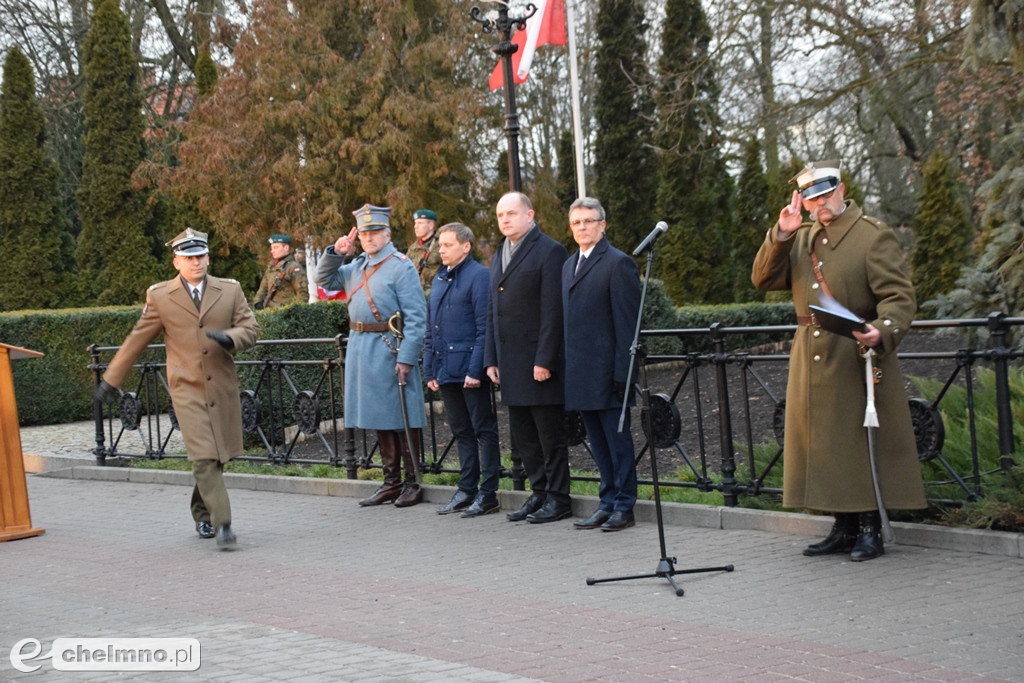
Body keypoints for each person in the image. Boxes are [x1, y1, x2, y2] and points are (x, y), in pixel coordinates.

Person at [751, 159, 926, 561]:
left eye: (827, 195)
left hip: (856, 352)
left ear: (842, 190)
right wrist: (781, 234)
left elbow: (899, 298)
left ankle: (869, 528)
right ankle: (842, 526)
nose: (821, 204)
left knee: (857, 440)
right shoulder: (800, 238)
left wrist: (882, 330)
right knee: (823, 444)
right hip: (810, 355)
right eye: (812, 199)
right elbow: (762, 278)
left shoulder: (871, 236)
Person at [94, 228, 259, 549]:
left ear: (208, 258)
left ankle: (201, 511)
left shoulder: (229, 290)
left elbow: (251, 328)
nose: (196, 262)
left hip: (222, 386)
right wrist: (111, 380)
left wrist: (231, 338)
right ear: (176, 262)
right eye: (189, 258)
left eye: (200, 256)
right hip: (186, 388)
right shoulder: (160, 296)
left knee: (217, 456)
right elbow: (136, 340)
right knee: (203, 455)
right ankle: (222, 523)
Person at [316, 204, 427, 508]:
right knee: (380, 416)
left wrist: (406, 357)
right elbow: (323, 280)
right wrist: (337, 252)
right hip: (361, 346)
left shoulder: (401, 266)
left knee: (402, 417)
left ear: (387, 233)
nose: (369, 237)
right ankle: (390, 482)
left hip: (389, 346)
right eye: (364, 233)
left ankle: (412, 482)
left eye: (374, 232)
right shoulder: (355, 266)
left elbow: (417, 317)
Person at [484, 192, 571, 524]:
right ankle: (539, 493)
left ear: (530, 214)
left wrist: (545, 359)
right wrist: (491, 358)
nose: (504, 219)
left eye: (511, 213)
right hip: (510, 362)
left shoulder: (550, 251)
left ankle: (559, 498)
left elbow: (553, 311)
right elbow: (494, 311)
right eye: (500, 215)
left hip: (538, 363)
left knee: (549, 435)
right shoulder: (499, 254)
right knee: (524, 437)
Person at [561, 197, 642, 532]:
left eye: (589, 221)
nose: (582, 227)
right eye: (577, 222)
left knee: (618, 442)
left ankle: (624, 505)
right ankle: (606, 501)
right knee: (598, 444)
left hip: (609, 375)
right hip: (581, 374)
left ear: (602, 224)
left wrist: (624, 374)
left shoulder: (618, 263)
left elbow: (628, 325)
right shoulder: (569, 265)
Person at [424, 223, 502, 518]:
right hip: (446, 369)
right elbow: (432, 328)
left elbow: (484, 328)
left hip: (470, 370)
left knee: (483, 429)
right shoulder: (440, 278)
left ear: (465, 246)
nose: (440, 249)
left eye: (446, 245)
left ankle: (488, 492)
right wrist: (429, 368)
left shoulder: (480, 276)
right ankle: (466, 489)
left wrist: (476, 370)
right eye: (440, 245)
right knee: (461, 431)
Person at [253, 234, 308, 309]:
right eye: (271, 248)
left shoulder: (293, 267)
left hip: (287, 311)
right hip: (270, 312)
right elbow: (262, 289)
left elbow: (302, 293)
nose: (272, 251)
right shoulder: (271, 268)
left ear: (286, 248)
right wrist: (257, 302)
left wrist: (296, 312)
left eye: (276, 247)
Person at [406, 208, 442, 295]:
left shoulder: (442, 244)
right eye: (415, 223)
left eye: (420, 223)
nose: (415, 226)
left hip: (436, 293)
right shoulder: (413, 248)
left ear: (431, 225)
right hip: (415, 294)